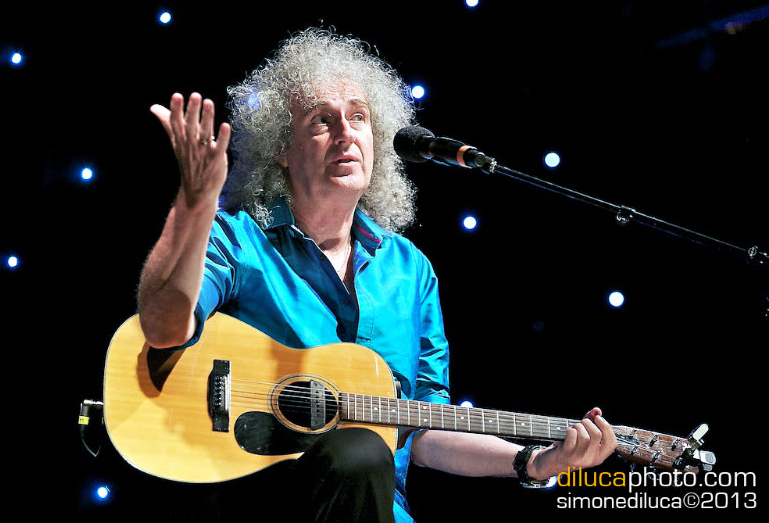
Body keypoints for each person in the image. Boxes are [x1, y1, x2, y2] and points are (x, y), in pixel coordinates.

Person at [137, 28, 616, 522]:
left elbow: (424, 427)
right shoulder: (237, 239)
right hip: (253, 493)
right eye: (322, 120)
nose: (346, 134)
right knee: (360, 450)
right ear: (281, 147)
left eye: (359, 117)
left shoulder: (410, 270)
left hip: (372, 506)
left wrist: (535, 462)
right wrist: (193, 206)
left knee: (365, 454)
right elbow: (163, 329)